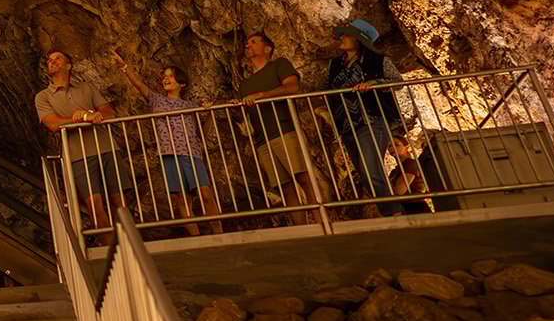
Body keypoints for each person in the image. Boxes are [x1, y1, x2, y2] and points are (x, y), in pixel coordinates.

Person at [113, 52, 223, 235]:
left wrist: (210, 113)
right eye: (165, 76)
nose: (166, 79)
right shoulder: (157, 100)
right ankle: (197, 238)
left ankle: (220, 234)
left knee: (205, 194)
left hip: (192, 152)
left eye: (171, 75)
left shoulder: (190, 105)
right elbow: (139, 84)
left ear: (182, 83)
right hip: (169, 154)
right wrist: (124, 67)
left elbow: (203, 131)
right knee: (182, 198)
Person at [234, 31, 324, 226]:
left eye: (254, 42)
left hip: (283, 129)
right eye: (247, 43)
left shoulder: (279, 65)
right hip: (262, 138)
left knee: (302, 176)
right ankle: (301, 228)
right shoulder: (245, 84)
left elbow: (292, 87)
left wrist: (262, 95)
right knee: (284, 186)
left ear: (267, 48)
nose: (249, 46)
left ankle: (322, 220)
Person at [35, 49, 125, 239]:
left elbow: (108, 112)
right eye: (50, 60)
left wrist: (95, 114)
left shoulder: (87, 88)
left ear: (68, 66)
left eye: (57, 58)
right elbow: (52, 124)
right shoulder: (43, 97)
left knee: (119, 199)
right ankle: (111, 248)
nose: (52, 62)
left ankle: (130, 243)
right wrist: (82, 117)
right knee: (93, 202)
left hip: (106, 147)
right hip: (77, 155)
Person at [325, 19, 404, 214]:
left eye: (348, 35)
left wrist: (375, 82)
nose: (342, 38)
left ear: (360, 40)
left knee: (371, 169)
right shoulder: (335, 65)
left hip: (371, 119)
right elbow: (326, 89)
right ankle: (390, 211)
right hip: (347, 125)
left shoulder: (378, 61)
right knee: (364, 172)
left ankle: (394, 211)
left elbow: (398, 82)